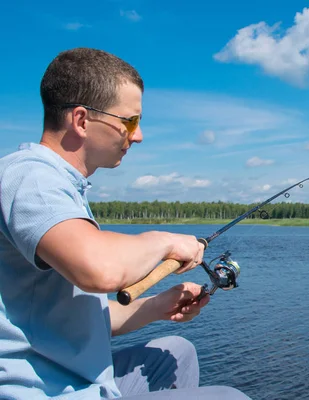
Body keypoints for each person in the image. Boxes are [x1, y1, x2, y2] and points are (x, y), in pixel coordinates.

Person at [0, 48, 252, 399]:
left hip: (73, 373)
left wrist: (154, 307)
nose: (138, 135)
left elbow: (79, 318)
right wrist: (166, 241)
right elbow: (99, 268)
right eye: (130, 121)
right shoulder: (32, 178)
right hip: (45, 391)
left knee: (175, 352)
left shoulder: (59, 187)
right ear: (82, 120)